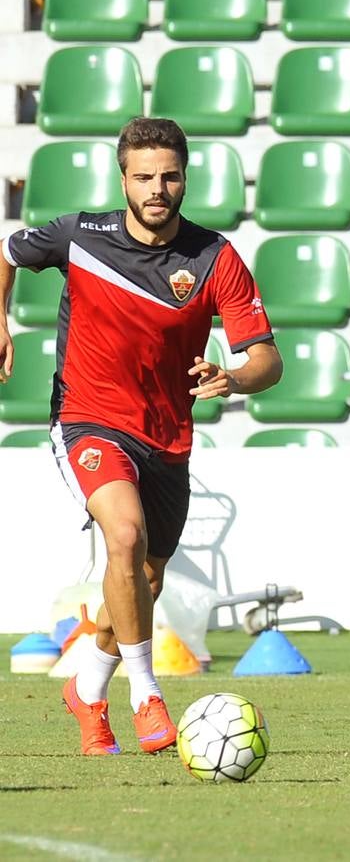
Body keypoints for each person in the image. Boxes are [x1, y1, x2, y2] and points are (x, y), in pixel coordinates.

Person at [0, 117, 282, 755]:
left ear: (185, 177)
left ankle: (88, 687)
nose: (158, 188)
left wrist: (233, 377)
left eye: (169, 175)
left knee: (143, 582)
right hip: (86, 417)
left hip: (166, 438)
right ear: (122, 178)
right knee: (122, 537)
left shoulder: (213, 258)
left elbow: (268, 359)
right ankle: (147, 695)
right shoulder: (79, 236)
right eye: (144, 176)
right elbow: (6, 254)